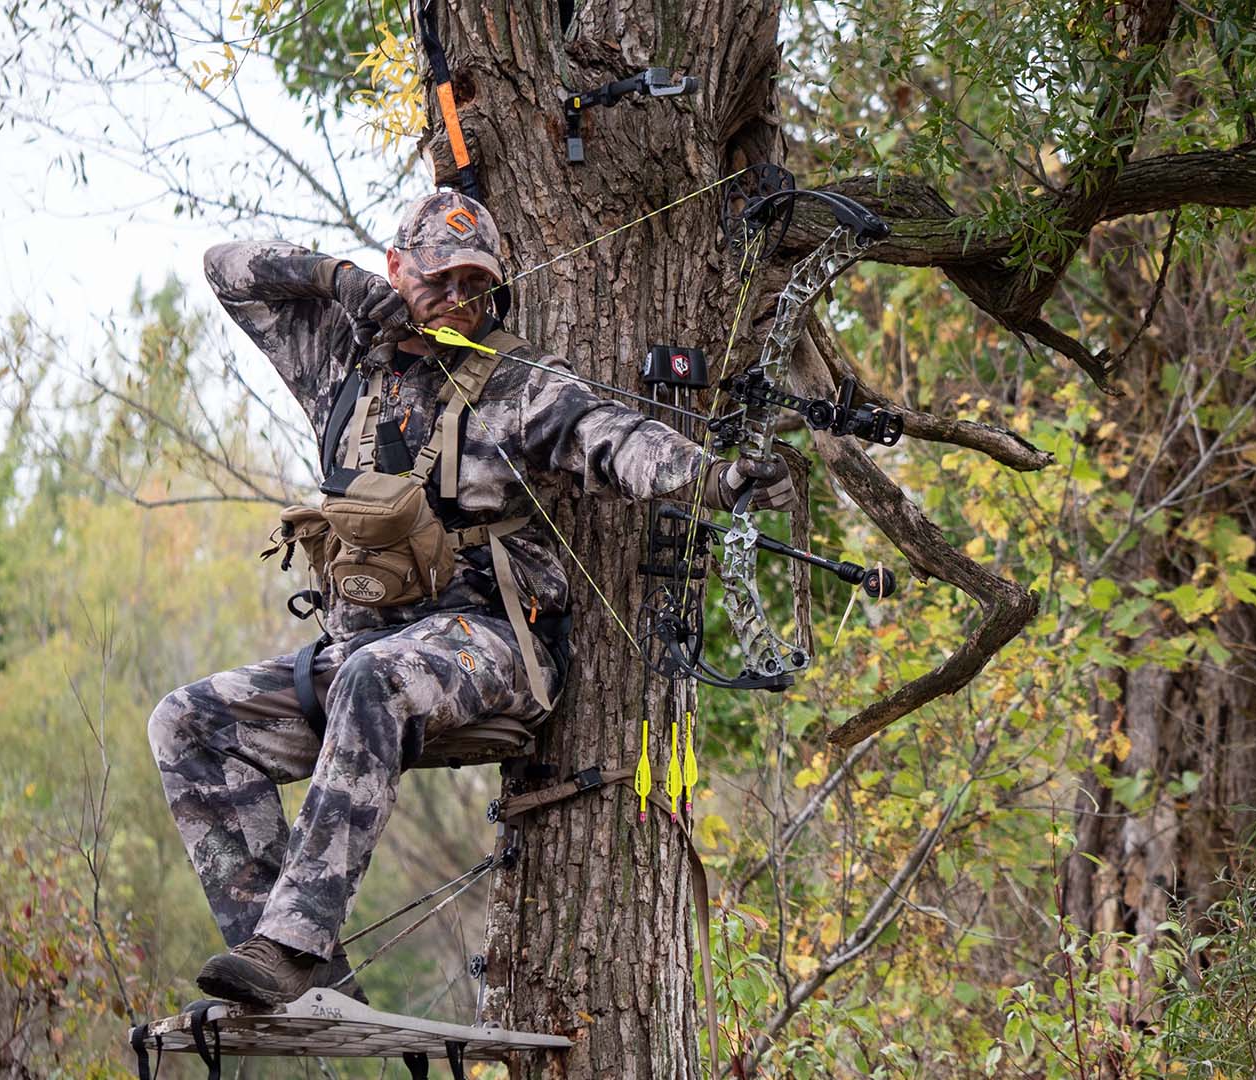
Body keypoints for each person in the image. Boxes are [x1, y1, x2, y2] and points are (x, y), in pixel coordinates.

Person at [146, 191, 793, 1007]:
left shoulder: (520, 384)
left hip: (493, 646)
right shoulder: (340, 362)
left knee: (373, 675)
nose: (460, 300)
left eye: (477, 286)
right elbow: (225, 270)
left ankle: (292, 945)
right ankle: (297, 976)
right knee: (189, 721)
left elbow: (615, 437)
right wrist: (333, 278)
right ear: (395, 270)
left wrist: (713, 478)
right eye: (441, 280)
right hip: (364, 657)